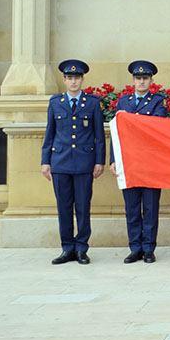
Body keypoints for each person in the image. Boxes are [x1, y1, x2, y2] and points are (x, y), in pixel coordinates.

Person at [40, 59, 105, 265]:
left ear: (82, 79)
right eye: (70, 78)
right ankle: (67, 248)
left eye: (77, 78)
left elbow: (99, 136)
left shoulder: (92, 103)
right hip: (60, 162)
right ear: (64, 80)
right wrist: (45, 161)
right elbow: (49, 134)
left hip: (84, 163)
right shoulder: (55, 103)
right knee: (64, 207)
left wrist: (99, 161)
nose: (73, 82)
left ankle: (81, 248)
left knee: (83, 208)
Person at [109, 60, 166, 264]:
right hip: (129, 162)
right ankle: (135, 247)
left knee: (150, 208)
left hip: (150, 162)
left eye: (145, 78)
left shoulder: (158, 102)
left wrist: (131, 119)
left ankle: (149, 248)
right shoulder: (123, 102)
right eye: (138, 78)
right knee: (132, 208)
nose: (141, 82)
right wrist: (113, 159)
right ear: (133, 80)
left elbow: (157, 128)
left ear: (151, 80)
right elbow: (116, 133)